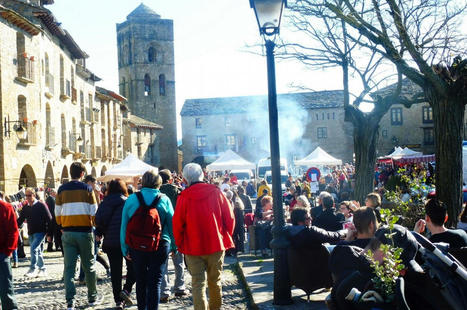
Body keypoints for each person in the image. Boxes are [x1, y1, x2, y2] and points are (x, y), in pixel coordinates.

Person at [173, 163, 235, 310]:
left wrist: (180, 243)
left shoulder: (183, 197)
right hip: (215, 243)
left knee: (197, 284)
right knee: (215, 281)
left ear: (186, 179)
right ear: (202, 174)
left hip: (193, 247)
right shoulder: (216, 192)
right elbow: (230, 218)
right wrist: (225, 235)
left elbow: (177, 224)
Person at [120, 169, 176, 310]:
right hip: (160, 243)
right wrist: (175, 246)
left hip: (137, 245)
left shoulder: (131, 199)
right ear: (159, 183)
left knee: (141, 280)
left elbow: (124, 226)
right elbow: (172, 225)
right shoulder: (164, 199)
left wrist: (124, 248)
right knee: (155, 282)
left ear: (142, 182)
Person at [55, 162, 100, 310]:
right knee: (89, 266)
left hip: (67, 232)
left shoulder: (61, 190)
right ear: (82, 174)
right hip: (84, 232)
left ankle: (70, 301)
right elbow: (94, 212)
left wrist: (62, 225)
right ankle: (92, 298)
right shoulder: (87, 189)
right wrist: (94, 226)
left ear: (70, 173)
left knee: (69, 268)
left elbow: (57, 213)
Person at [95, 179, 136, 310]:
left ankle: (118, 300)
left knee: (116, 272)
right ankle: (126, 290)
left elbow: (99, 221)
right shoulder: (128, 202)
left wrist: (100, 232)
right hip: (127, 241)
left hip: (111, 242)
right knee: (133, 268)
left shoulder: (104, 203)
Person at [158, 169, 186, 303]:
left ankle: (164, 291)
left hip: (161, 230)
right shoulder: (177, 190)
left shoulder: (157, 192)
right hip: (177, 228)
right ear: (170, 179)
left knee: (162, 263)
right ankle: (179, 286)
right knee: (178, 260)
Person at [17, 187, 52, 277]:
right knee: (38, 251)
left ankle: (33, 268)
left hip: (41, 232)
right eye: (26, 196)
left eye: (29, 195)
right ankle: (43, 269)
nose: (27, 197)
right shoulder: (26, 207)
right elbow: (20, 220)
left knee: (33, 249)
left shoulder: (41, 205)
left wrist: (49, 233)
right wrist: (14, 226)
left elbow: (49, 219)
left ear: (34, 195)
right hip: (31, 232)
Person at [0, 198, 19, 310]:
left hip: (2, 253)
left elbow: (13, 231)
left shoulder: (6, 207)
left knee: (6, 288)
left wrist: (8, 250)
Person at [45, 189, 62, 253]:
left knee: (52, 233)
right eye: (55, 192)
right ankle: (53, 247)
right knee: (53, 233)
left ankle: (52, 247)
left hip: (52, 219)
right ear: (52, 193)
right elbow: (52, 210)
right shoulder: (50, 199)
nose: (56, 194)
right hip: (52, 219)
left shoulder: (52, 199)